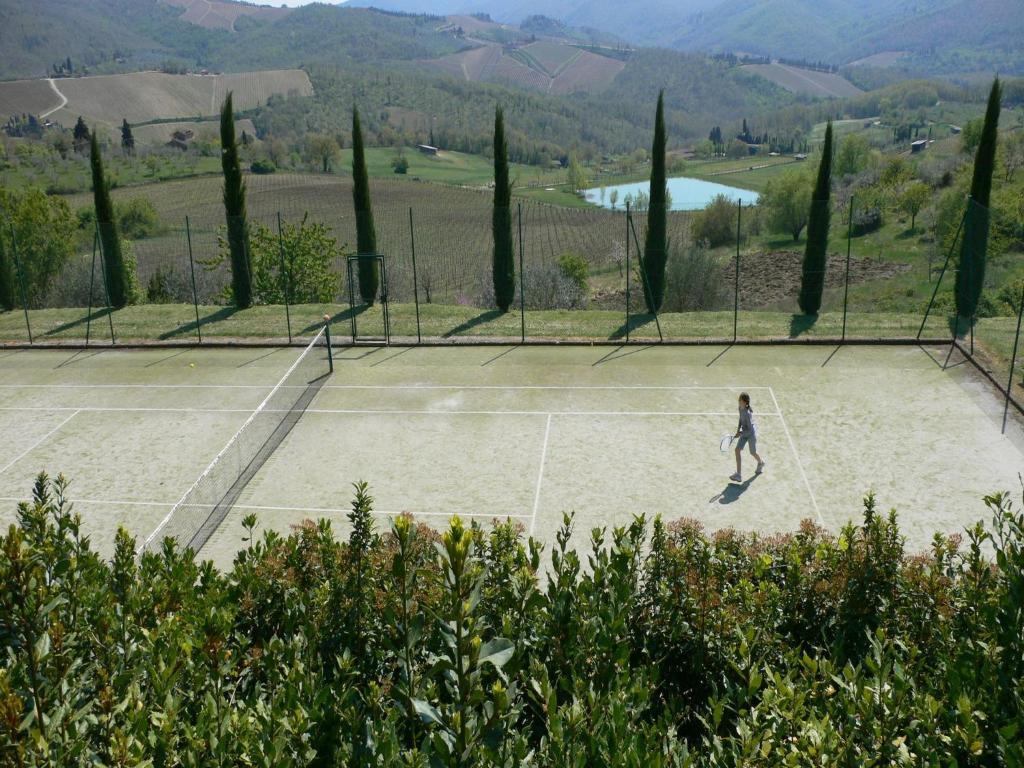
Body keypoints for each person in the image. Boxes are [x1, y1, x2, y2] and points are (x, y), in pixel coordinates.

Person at [731, 392, 765, 482]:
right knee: (737, 450)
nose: (738, 401)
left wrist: (740, 433)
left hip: (750, 434)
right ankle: (738, 474)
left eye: (740, 400)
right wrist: (738, 430)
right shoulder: (740, 408)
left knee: (752, 452)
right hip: (744, 432)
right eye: (738, 400)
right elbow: (740, 420)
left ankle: (761, 463)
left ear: (745, 402)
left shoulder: (748, 413)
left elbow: (749, 429)